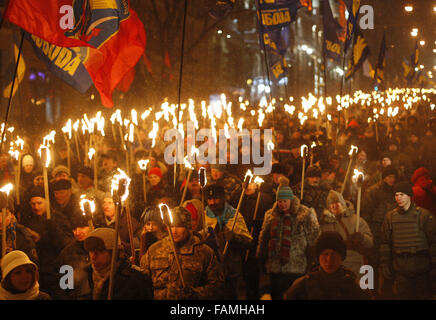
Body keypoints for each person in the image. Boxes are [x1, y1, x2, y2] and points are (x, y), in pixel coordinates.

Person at [256, 177, 320, 300]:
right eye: (280, 201)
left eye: (285, 201)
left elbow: (314, 239)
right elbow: (264, 238)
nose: (282, 204)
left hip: (296, 266)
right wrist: (261, 257)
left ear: (291, 200)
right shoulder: (271, 215)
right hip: (275, 267)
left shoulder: (304, 215)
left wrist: (312, 262)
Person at [140, 206, 224, 299]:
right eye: (172, 226)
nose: (174, 231)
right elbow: (142, 280)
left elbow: (216, 286)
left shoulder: (203, 252)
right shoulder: (155, 250)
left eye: (179, 226)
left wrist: (195, 294)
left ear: (188, 227)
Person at [379, 182, 436, 299]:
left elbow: (433, 242)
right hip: (401, 270)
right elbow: (385, 243)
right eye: (396, 195)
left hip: (422, 269)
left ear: (409, 195)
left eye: (402, 194)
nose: (398, 198)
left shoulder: (424, 216)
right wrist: (384, 263)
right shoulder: (390, 217)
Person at [70, 228, 153, 300]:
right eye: (91, 251)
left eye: (100, 251)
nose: (93, 257)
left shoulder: (134, 280)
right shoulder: (85, 275)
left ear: (114, 253)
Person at [284, 231, 370, 300]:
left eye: (334, 254)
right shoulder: (303, 286)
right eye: (326, 254)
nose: (329, 260)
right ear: (318, 257)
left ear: (341, 257)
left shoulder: (354, 286)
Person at [20, 186, 73, 295]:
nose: (36, 207)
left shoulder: (59, 218)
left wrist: (42, 237)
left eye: (39, 203)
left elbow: (66, 244)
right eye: (33, 204)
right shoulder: (29, 219)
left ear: (47, 202)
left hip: (61, 269)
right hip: (41, 270)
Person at [203, 184, 252, 299]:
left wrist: (234, 237)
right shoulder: (203, 215)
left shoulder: (234, 216)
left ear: (223, 198)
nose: (213, 202)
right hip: (209, 272)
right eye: (210, 199)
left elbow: (248, 242)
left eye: (216, 198)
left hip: (230, 271)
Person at [320, 190, 373, 276]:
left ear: (343, 203)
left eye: (337, 202)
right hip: (332, 266)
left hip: (355, 265)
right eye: (331, 203)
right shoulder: (324, 224)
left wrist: (362, 237)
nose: (334, 205)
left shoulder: (357, 220)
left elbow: (370, 243)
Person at [52, 214, 92, 300]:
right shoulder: (68, 253)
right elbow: (63, 285)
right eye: (74, 229)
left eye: (82, 227)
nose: (77, 232)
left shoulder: (102, 249)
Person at [0, 192, 38, 264]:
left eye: (5, 215)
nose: (0, 220)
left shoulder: (22, 236)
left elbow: (31, 266)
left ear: (12, 215)